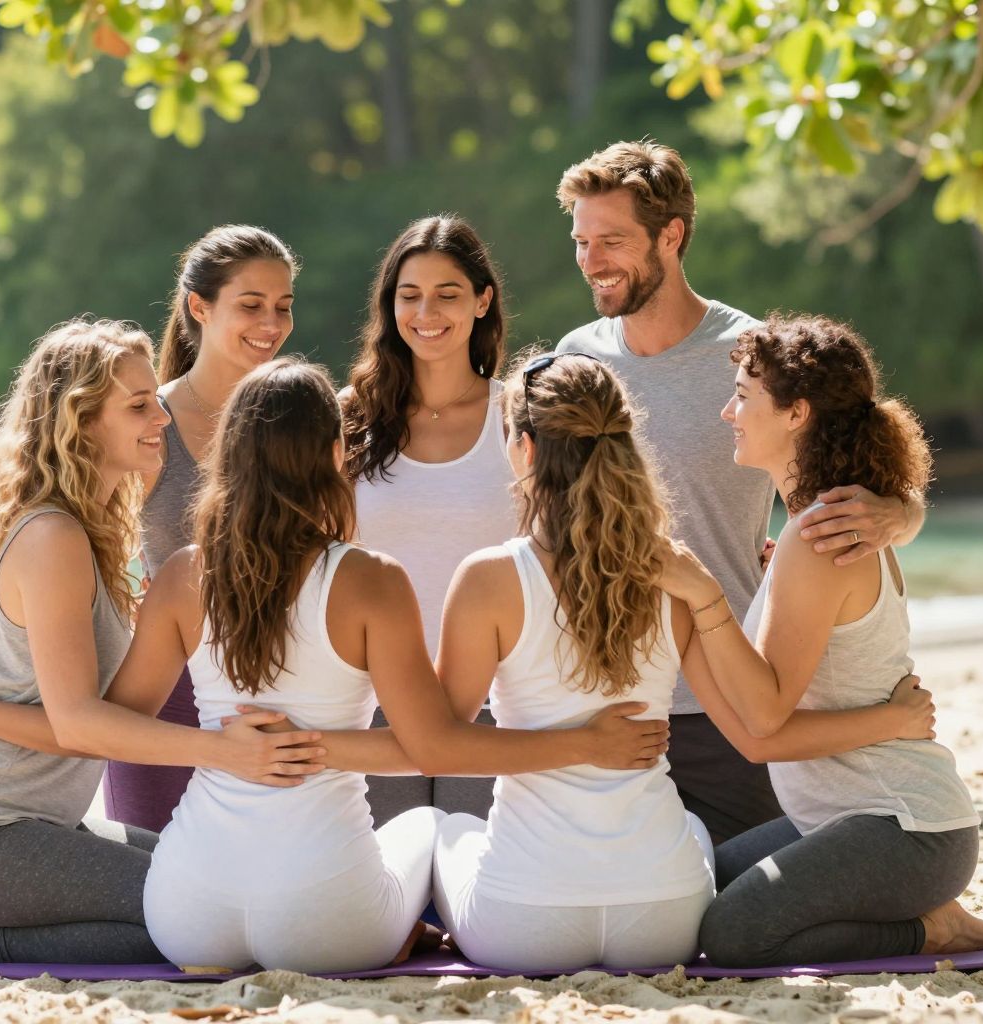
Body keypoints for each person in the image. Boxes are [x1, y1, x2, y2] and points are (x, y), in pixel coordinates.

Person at [141, 358, 671, 972]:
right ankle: (395, 930)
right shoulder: (370, 579)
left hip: (185, 915)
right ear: (337, 453)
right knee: (427, 822)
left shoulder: (182, 574)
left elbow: (113, 724)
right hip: (328, 920)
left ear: (228, 455)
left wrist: (222, 748)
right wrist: (584, 743)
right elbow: (429, 745)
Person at [428, 351, 939, 973]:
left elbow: (440, 744)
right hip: (664, 920)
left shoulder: (487, 578)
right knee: (696, 844)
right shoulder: (675, 575)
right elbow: (755, 731)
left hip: (525, 925)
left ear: (526, 452)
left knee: (442, 829)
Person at [0, 319, 321, 966]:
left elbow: (106, 716)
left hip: (34, 827)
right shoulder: (52, 539)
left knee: (230, 881)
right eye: (136, 405)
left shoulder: (88, 535)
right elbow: (78, 722)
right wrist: (224, 752)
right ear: (79, 421)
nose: (160, 414)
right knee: (200, 920)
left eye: (155, 396)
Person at [554, 140, 927, 844]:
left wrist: (897, 514)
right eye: (581, 240)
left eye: (611, 240)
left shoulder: (753, 356)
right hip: (602, 697)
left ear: (671, 235)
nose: (592, 260)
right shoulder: (576, 362)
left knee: (724, 914)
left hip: (726, 701)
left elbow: (866, 476)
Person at [656, 314, 983, 966]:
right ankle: (926, 911)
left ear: (797, 413)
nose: (727, 411)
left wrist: (706, 596)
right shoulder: (821, 526)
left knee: (732, 936)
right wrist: (685, 610)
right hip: (837, 819)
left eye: (744, 395)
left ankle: (932, 930)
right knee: (689, 893)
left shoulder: (820, 534)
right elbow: (755, 731)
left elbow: (765, 716)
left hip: (905, 827)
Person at [104, 225, 301, 833]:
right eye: (251, 305)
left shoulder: (301, 419)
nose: (271, 322)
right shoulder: (147, 421)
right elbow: (92, 551)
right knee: (147, 892)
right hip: (167, 692)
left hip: (280, 690)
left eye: (283, 306)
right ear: (198, 306)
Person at [341, 215, 516, 825]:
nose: (426, 313)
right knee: (392, 900)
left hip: (501, 699)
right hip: (372, 700)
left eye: (448, 294)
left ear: (482, 300)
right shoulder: (348, 420)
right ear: (389, 306)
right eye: (409, 295)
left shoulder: (520, 416)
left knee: (476, 887)